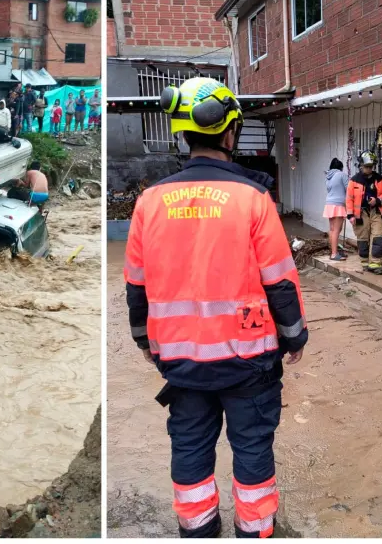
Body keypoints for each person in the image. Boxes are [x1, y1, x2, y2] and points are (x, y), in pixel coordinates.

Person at [125, 77, 308, 539]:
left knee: (189, 445)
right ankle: (254, 529)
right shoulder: (253, 198)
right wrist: (294, 337)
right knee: (251, 447)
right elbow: (280, 280)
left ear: (183, 133)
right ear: (230, 133)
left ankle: (198, 528)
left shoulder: (149, 202)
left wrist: (146, 342)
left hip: (182, 363)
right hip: (248, 360)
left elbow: (136, 286)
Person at [346, 151, 382, 275]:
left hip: (377, 211)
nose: (369, 169)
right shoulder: (354, 180)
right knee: (362, 239)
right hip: (360, 214)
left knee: (377, 237)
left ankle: (375, 264)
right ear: (361, 166)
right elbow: (349, 199)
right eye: (367, 167)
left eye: (371, 167)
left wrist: (377, 200)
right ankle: (365, 262)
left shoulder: (379, 179)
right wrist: (350, 215)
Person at [323, 157, 348, 261]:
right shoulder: (342, 175)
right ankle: (334, 254)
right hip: (338, 204)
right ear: (340, 168)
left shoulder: (328, 176)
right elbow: (349, 189)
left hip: (329, 204)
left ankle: (334, 251)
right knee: (337, 230)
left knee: (332, 229)